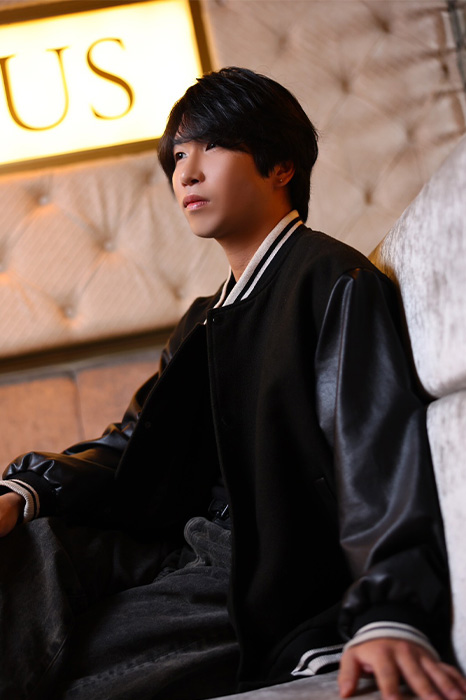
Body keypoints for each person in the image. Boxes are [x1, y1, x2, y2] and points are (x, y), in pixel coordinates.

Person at [0, 66, 464, 700]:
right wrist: (26, 490)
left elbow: (374, 456)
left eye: (213, 146)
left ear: (281, 167)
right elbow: (132, 444)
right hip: (180, 545)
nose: (186, 173)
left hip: (260, 566)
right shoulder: (204, 317)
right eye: (177, 155)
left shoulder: (330, 281)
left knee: (67, 674)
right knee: (29, 546)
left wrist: (388, 610)